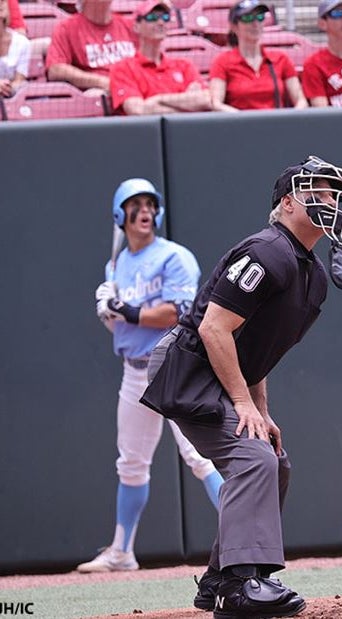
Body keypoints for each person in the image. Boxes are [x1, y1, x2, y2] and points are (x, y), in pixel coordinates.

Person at [141, 155, 342, 617]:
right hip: (189, 364)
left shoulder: (310, 272)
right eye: (317, 190)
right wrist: (241, 401)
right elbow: (215, 329)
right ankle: (239, 587)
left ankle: (220, 576)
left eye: (334, 193)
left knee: (272, 460)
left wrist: (261, 408)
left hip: (222, 368)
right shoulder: (267, 251)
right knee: (252, 458)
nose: (330, 200)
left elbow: (257, 348)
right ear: (288, 201)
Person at [82, 178, 224, 573]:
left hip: (174, 366)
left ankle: (243, 541)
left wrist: (124, 308)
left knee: (201, 457)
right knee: (130, 462)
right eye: (135, 204)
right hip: (133, 372)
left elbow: (178, 312)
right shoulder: (116, 264)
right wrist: (108, 314)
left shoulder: (175, 257)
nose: (144, 210)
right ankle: (122, 551)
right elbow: (123, 328)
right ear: (120, 214)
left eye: (149, 204)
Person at [108, 0, 212, 115]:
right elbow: (138, 111)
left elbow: (205, 100)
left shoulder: (184, 66)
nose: (161, 22)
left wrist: (158, 100)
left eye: (165, 17)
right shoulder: (123, 69)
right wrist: (186, 102)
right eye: (152, 17)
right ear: (136, 26)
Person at [210, 0, 308, 112]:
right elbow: (216, 104)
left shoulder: (281, 58)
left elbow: (301, 101)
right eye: (248, 18)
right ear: (234, 26)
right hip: (240, 125)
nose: (255, 23)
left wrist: (289, 119)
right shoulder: (222, 61)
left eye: (260, 17)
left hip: (277, 125)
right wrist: (243, 119)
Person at [46, 0, 138, 96]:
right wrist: (102, 82)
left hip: (136, 86)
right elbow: (56, 69)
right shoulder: (66, 28)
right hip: (100, 93)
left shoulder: (130, 26)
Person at [0, 0, 29, 97]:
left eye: (3, 1)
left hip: (10, 97)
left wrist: (7, 88)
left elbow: (19, 80)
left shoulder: (22, 42)